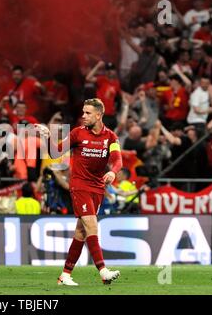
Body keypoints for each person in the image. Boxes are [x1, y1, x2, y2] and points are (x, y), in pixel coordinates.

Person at [35, 98, 123, 286]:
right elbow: (55, 153)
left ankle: (65, 275)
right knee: (91, 224)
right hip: (80, 185)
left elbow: (118, 161)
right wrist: (48, 136)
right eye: (83, 112)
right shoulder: (77, 134)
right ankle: (103, 271)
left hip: (98, 187)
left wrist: (112, 172)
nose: (83, 116)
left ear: (99, 115)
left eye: (88, 113)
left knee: (81, 232)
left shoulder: (111, 138)